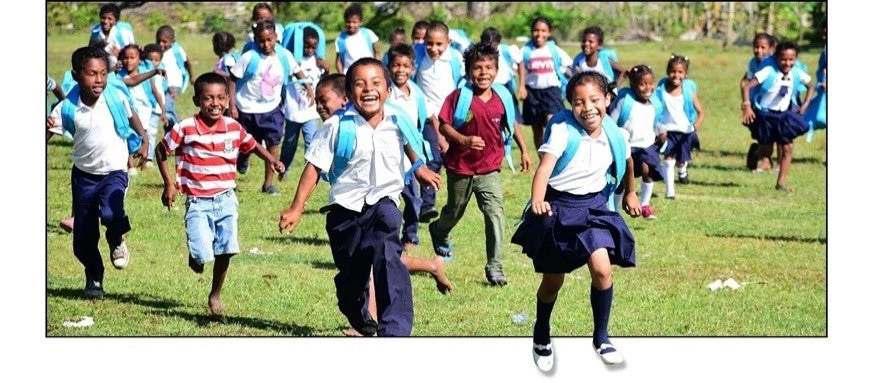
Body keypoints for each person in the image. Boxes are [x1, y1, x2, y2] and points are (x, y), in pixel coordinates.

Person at [278, 58, 441, 337]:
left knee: (389, 256)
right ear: (349, 94)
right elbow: (314, 167)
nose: (369, 89)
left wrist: (420, 168)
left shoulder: (397, 119)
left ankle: (395, 330)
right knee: (353, 278)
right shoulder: (336, 126)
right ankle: (356, 308)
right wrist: (296, 208)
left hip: (385, 202)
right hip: (345, 210)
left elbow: (410, 145)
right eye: (360, 83)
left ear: (388, 90)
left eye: (376, 83)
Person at [511, 71, 641, 371]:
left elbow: (629, 162)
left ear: (608, 99)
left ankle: (601, 337)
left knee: (602, 270)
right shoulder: (563, 131)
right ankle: (541, 332)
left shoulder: (616, 134)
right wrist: (539, 200)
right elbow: (544, 169)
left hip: (594, 208)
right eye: (579, 102)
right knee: (552, 281)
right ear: (570, 105)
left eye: (595, 100)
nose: (588, 108)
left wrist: (630, 194)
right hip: (559, 209)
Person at [155, 72, 284, 315]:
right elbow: (161, 151)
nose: (215, 104)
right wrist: (169, 184)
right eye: (208, 98)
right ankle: (197, 254)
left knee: (226, 248)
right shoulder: (186, 128)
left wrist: (272, 160)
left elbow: (252, 144)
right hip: (197, 201)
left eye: (221, 98)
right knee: (203, 253)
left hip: (226, 198)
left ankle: (215, 294)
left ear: (227, 99)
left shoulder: (233, 127)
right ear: (197, 101)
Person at [47, 45, 150, 299]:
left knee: (112, 213)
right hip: (83, 176)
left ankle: (116, 237)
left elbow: (131, 115)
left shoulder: (115, 96)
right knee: (83, 240)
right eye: (92, 74)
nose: (99, 80)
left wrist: (144, 139)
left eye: (104, 73)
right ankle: (94, 277)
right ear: (75, 75)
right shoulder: (66, 108)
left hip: (115, 171)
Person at [430, 42, 532, 286]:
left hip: (489, 169)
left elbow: (512, 123)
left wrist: (525, 151)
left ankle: (495, 266)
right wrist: (462, 140)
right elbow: (444, 125)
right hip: (460, 167)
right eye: (477, 68)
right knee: (455, 210)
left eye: (489, 67)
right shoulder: (459, 97)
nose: (483, 72)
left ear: (496, 70)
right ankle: (439, 230)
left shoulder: (502, 98)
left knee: (495, 213)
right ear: (468, 71)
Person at [386, 43, 454, 293]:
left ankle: (411, 236)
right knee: (391, 201)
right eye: (396, 65)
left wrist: (439, 139)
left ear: (413, 68)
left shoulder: (416, 93)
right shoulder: (385, 92)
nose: (401, 70)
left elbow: (427, 119)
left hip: (410, 158)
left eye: (406, 66)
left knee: (413, 200)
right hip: (388, 157)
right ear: (389, 67)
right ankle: (391, 239)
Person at [228, 20, 312, 195]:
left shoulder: (284, 56)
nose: (265, 44)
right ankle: (237, 168)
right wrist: (232, 105)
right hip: (247, 109)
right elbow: (233, 79)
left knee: (273, 144)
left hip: (272, 109)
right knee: (245, 144)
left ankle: (268, 184)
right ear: (256, 39)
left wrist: (308, 87)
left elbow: (297, 71)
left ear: (276, 38)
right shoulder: (250, 57)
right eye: (261, 40)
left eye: (269, 40)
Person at [742, 41, 815, 192]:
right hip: (766, 115)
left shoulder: (796, 72)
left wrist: (806, 103)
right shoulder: (768, 71)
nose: (787, 63)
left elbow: (810, 86)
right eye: (783, 59)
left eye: (791, 60)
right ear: (776, 58)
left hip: (783, 115)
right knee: (766, 149)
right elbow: (747, 86)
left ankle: (780, 182)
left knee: (787, 147)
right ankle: (757, 152)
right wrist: (747, 105)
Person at [413, 21, 465, 223]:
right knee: (432, 157)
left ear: (448, 43)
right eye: (429, 44)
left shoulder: (454, 59)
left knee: (453, 160)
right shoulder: (417, 55)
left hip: (452, 116)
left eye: (438, 44)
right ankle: (427, 205)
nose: (433, 49)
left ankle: (456, 203)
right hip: (427, 116)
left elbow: (462, 83)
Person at [609, 65, 663, 219]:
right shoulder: (625, 102)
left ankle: (645, 205)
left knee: (648, 170)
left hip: (646, 146)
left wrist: (662, 130)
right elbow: (613, 121)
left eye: (650, 83)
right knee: (622, 179)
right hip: (628, 146)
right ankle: (614, 210)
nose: (647, 87)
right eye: (642, 84)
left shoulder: (655, 104)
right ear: (633, 86)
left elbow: (656, 122)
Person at [279, 25, 328, 181]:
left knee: (312, 141)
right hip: (293, 109)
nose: (310, 50)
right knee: (289, 143)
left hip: (311, 111)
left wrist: (327, 70)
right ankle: (283, 170)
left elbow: (324, 81)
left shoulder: (318, 62)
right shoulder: (293, 60)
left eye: (313, 47)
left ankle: (311, 174)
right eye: (306, 46)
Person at [518, 16, 572, 150]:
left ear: (549, 33)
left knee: (552, 124)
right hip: (532, 93)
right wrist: (522, 86)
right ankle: (542, 159)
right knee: (536, 129)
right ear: (531, 31)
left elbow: (568, 67)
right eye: (536, 30)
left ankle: (553, 153)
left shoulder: (554, 50)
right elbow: (520, 66)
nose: (539, 34)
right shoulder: (526, 50)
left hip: (551, 92)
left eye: (543, 31)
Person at [656, 54, 705, 199]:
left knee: (681, 160)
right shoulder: (661, 89)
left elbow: (700, 111)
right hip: (668, 130)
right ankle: (670, 191)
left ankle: (682, 170)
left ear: (686, 74)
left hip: (685, 131)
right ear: (667, 71)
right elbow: (656, 107)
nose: (676, 75)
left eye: (680, 72)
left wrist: (697, 124)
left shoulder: (688, 89)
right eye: (673, 71)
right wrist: (658, 127)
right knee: (668, 159)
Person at [117, 44, 167, 174]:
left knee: (143, 137)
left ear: (140, 59)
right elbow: (132, 81)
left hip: (145, 111)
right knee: (127, 136)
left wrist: (163, 110)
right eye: (125, 58)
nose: (129, 61)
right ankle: (130, 165)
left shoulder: (144, 72)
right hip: (128, 112)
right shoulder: (119, 76)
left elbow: (155, 91)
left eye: (132, 57)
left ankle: (143, 162)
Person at [741, 33, 777, 172]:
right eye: (756, 47)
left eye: (763, 47)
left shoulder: (773, 62)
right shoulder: (753, 62)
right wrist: (746, 103)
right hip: (757, 103)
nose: (759, 51)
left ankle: (768, 160)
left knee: (775, 134)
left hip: (774, 102)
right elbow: (747, 83)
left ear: (771, 48)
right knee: (761, 132)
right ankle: (762, 155)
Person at [480, 27, 523, 124]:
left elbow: (520, 63)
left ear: (498, 42)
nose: (490, 46)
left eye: (493, 43)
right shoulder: (479, 54)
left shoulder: (506, 51)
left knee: (511, 118)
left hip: (505, 88)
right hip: (487, 89)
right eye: (487, 43)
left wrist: (522, 85)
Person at [156, 25, 195, 132]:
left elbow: (188, 62)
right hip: (161, 85)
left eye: (164, 41)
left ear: (172, 41)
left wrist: (192, 76)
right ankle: (169, 133)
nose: (161, 44)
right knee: (163, 108)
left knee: (167, 106)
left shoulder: (176, 50)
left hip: (174, 84)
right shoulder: (156, 52)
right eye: (158, 41)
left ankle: (180, 128)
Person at [571, 26, 626, 92]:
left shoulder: (605, 59)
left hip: (606, 98)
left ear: (599, 45)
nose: (586, 43)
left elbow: (624, 72)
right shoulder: (578, 61)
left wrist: (614, 87)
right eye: (584, 41)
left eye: (590, 41)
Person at [335, 3, 380, 74]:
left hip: (368, 72)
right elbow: (338, 61)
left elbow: (376, 51)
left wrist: (377, 68)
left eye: (354, 22)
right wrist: (342, 75)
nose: (351, 25)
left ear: (361, 22)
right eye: (348, 22)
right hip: (349, 74)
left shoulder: (368, 34)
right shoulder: (340, 39)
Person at [88, 3, 135, 70]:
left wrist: (119, 54)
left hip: (123, 69)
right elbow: (90, 52)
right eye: (103, 18)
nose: (105, 21)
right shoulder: (96, 32)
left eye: (110, 19)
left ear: (116, 20)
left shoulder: (123, 33)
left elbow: (132, 54)